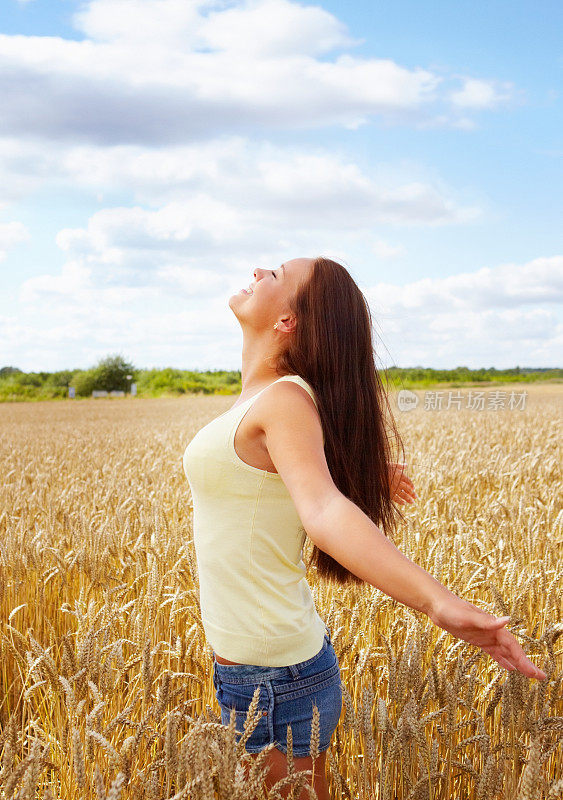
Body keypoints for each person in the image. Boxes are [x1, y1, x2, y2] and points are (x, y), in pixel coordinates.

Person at [183, 256, 546, 800]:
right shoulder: (270, 400)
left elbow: (324, 509)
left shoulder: (283, 399)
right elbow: (288, 471)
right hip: (262, 669)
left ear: (288, 321)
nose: (259, 271)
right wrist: (364, 469)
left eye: (276, 275)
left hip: (273, 676)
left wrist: (438, 603)